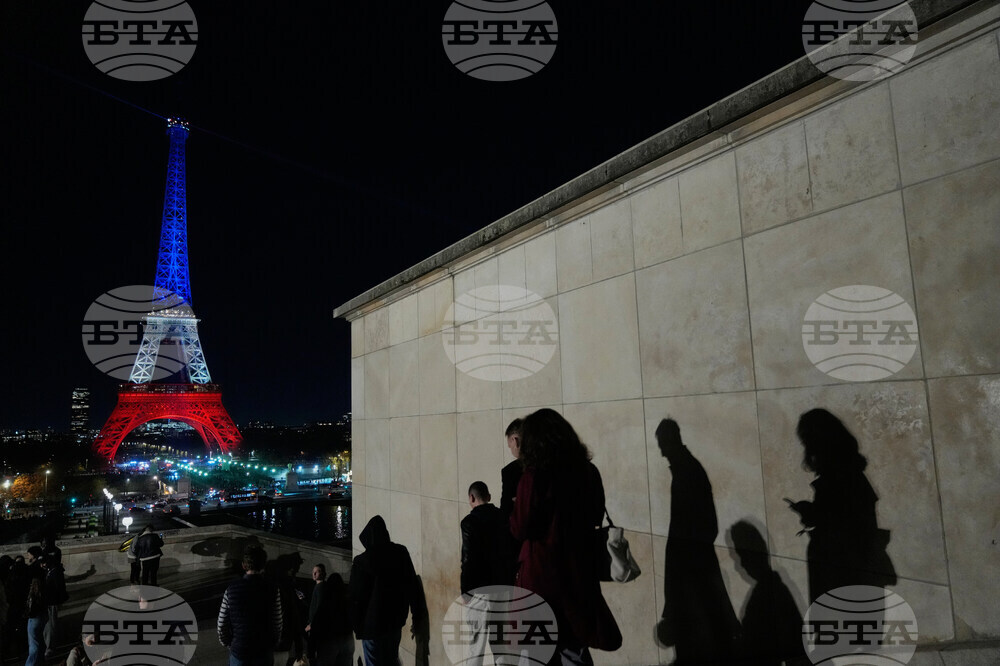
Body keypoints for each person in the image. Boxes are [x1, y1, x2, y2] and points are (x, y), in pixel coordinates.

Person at [510, 408, 622, 665]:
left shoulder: (534, 476)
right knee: (574, 648)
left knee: (535, 652)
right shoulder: (587, 472)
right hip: (577, 572)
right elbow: (596, 515)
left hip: (541, 576)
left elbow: (520, 528)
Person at [785, 408, 895, 603]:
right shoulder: (851, 475)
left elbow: (837, 524)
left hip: (841, 575)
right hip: (851, 575)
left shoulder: (836, 479)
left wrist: (809, 512)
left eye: (807, 441)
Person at [655, 418, 741, 664]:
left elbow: (698, 528)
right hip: (693, 574)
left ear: (671, 441)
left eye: (662, 445)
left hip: (690, 577)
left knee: (698, 644)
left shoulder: (687, 472)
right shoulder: (689, 469)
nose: (662, 453)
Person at [349, 515, 418, 665]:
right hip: (394, 622)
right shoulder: (400, 552)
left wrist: (357, 627)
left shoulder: (361, 561)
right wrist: (416, 616)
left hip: (371, 627)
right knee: (391, 659)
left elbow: (356, 598)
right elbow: (412, 585)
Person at [460, 481, 516, 665]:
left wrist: (465, 591)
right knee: (500, 645)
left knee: (476, 647)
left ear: (471, 498)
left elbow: (468, 560)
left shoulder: (469, 522)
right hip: (503, 588)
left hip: (480, 592)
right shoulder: (504, 517)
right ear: (489, 497)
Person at [218, 545, 283, 666]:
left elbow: (222, 624)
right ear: (263, 565)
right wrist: (273, 643)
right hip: (263, 650)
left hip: (239, 651)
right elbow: (277, 623)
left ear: (243, 565)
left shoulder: (231, 590)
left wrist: (228, 644)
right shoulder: (273, 589)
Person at [305, 564, 353, 666]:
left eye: (317, 571)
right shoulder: (346, 602)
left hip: (329, 641)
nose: (314, 573)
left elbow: (318, 618)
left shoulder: (325, 599)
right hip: (347, 641)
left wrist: (311, 650)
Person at [41, 548, 67, 659]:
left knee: (51, 625)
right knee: (51, 624)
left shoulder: (54, 572)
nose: (42, 565)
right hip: (51, 602)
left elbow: (57, 589)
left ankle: (50, 647)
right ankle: (51, 645)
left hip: (51, 602)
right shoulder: (53, 570)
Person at [23, 547, 47, 666]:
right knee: (39, 639)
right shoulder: (44, 575)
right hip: (43, 613)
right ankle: (40, 661)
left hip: (35, 616)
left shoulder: (34, 580)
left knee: (33, 643)